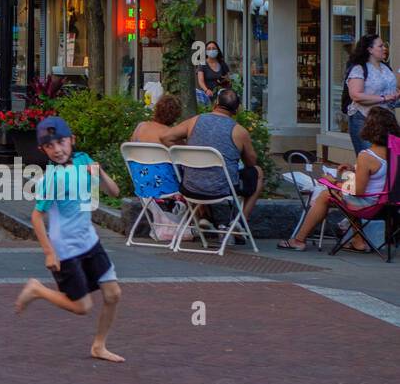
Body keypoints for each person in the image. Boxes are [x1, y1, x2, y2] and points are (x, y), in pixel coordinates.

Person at [15, 116, 124, 363]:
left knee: (113, 294)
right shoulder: (51, 179)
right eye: (49, 146)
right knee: (82, 307)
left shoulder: (84, 160)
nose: (57, 149)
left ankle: (99, 345)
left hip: (89, 241)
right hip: (66, 250)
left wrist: (99, 173)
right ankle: (37, 290)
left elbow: (114, 192)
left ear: (72, 140)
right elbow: (36, 217)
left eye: (61, 142)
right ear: (42, 150)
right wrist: (49, 252)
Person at [280, 106, 395, 251]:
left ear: (370, 128)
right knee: (342, 196)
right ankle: (358, 242)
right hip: (389, 205)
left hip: (370, 205)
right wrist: (354, 170)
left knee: (326, 194)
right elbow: (381, 175)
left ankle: (298, 240)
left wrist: (333, 182)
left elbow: (358, 191)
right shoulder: (394, 153)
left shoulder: (367, 156)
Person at [161, 88, 263, 224]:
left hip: (190, 188)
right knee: (258, 172)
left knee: (197, 172)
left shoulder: (194, 121)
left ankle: (204, 217)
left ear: (215, 103)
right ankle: (240, 222)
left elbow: (167, 138)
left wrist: (188, 152)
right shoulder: (240, 131)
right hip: (222, 190)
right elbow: (251, 162)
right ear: (237, 109)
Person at [343, 34, 399, 153]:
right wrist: (384, 98)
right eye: (380, 46)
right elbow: (356, 95)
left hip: (387, 121)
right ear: (370, 49)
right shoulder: (359, 68)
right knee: (371, 160)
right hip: (364, 120)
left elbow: (391, 94)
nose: (385, 48)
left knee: (394, 159)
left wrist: (395, 97)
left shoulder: (386, 68)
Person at [194, 41, 230, 106]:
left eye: (213, 48)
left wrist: (224, 80)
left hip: (220, 95)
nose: (211, 50)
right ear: (205, 51)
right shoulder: (202, 63)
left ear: (217, 50)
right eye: (209, 49)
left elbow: (227, 78)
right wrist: (206, 90)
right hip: (206, 94)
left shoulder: (222, 63)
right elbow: (200, 81)